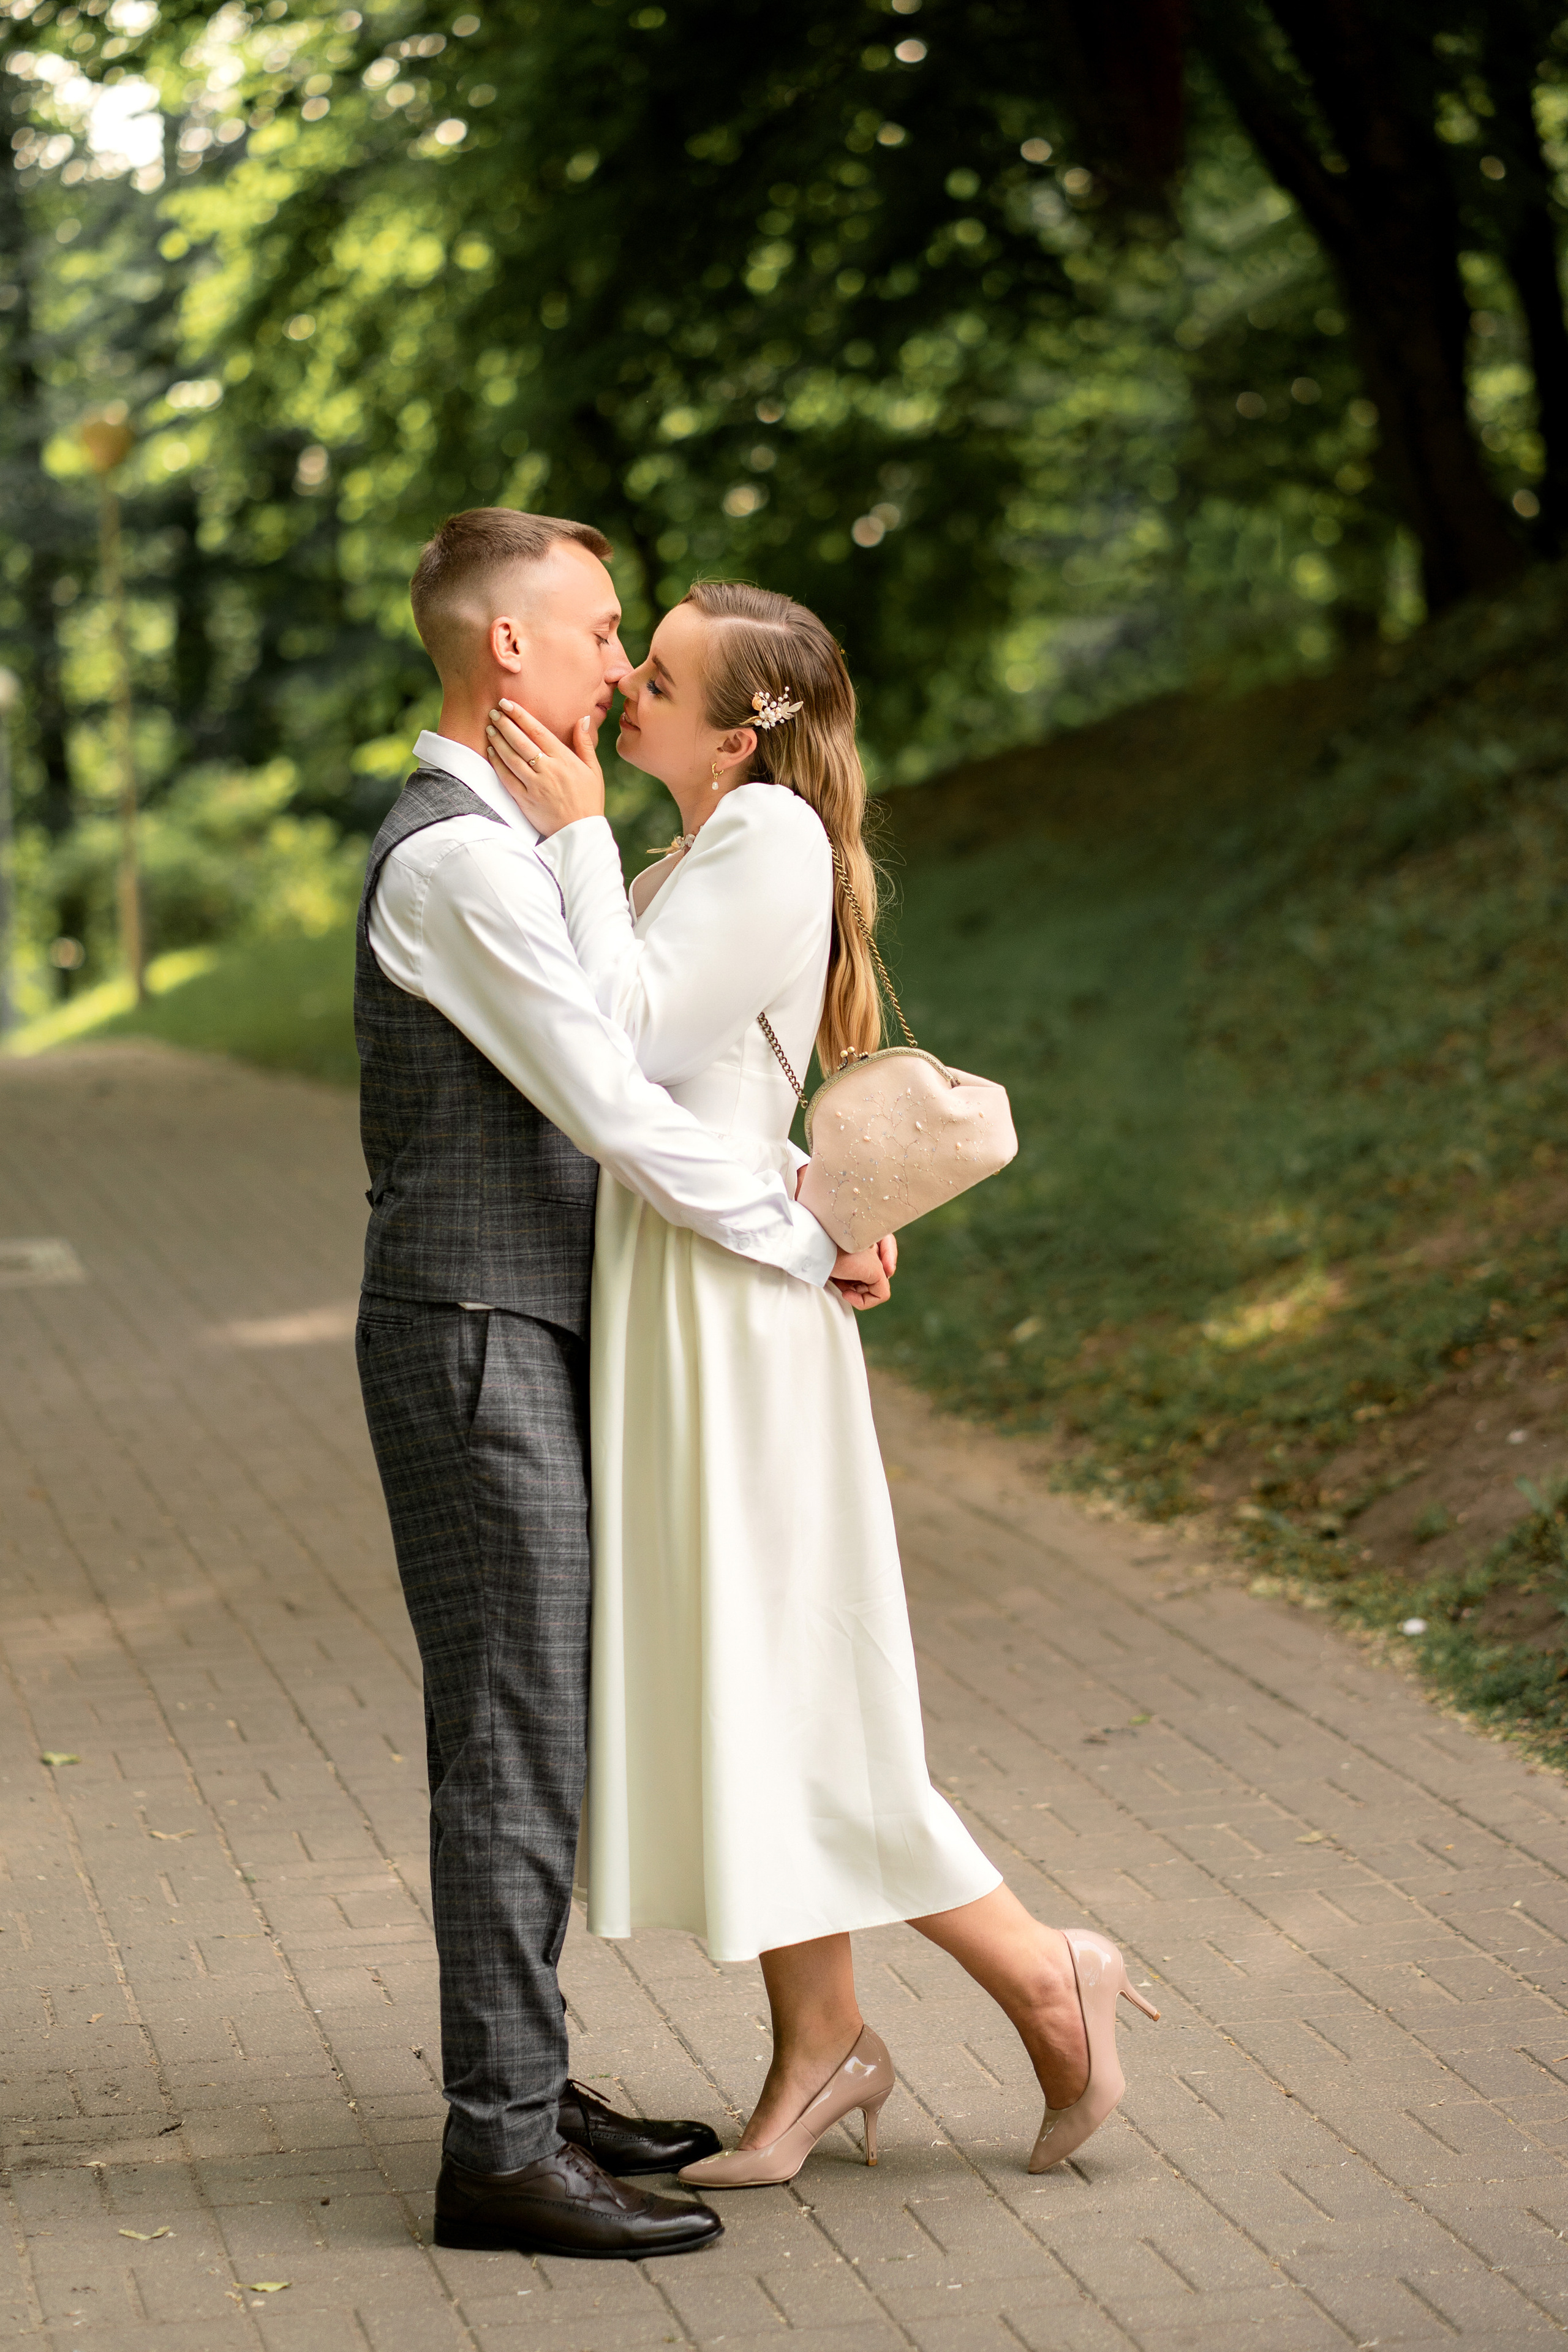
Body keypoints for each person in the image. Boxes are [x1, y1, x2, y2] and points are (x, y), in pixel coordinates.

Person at [484, 578, 1159, 2191]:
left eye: (659, 674)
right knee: (747, 1685)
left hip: (729, 1311)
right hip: (692, 1280)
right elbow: (727, 1079)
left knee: (786, 1679)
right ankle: (823, 2050)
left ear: (742, 730)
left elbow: (631, 1041)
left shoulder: (767, 839)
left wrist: (571, 834)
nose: (626, 688)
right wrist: (818, 1188)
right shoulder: (698, 849)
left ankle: (1041, 1971)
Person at [354, 510, 892, 2261]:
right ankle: (498, 2148)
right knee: (511, 1745)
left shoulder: (532, 842)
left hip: (529, 1325)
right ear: (510, 651)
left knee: (534, 1732)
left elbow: (684, 1052)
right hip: (475, 1333)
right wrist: (803, 1235)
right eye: (600, 633)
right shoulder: (459, 862)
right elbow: (618, 1102)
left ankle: (528, 2083)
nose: (614, 664)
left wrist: (824, 1201)